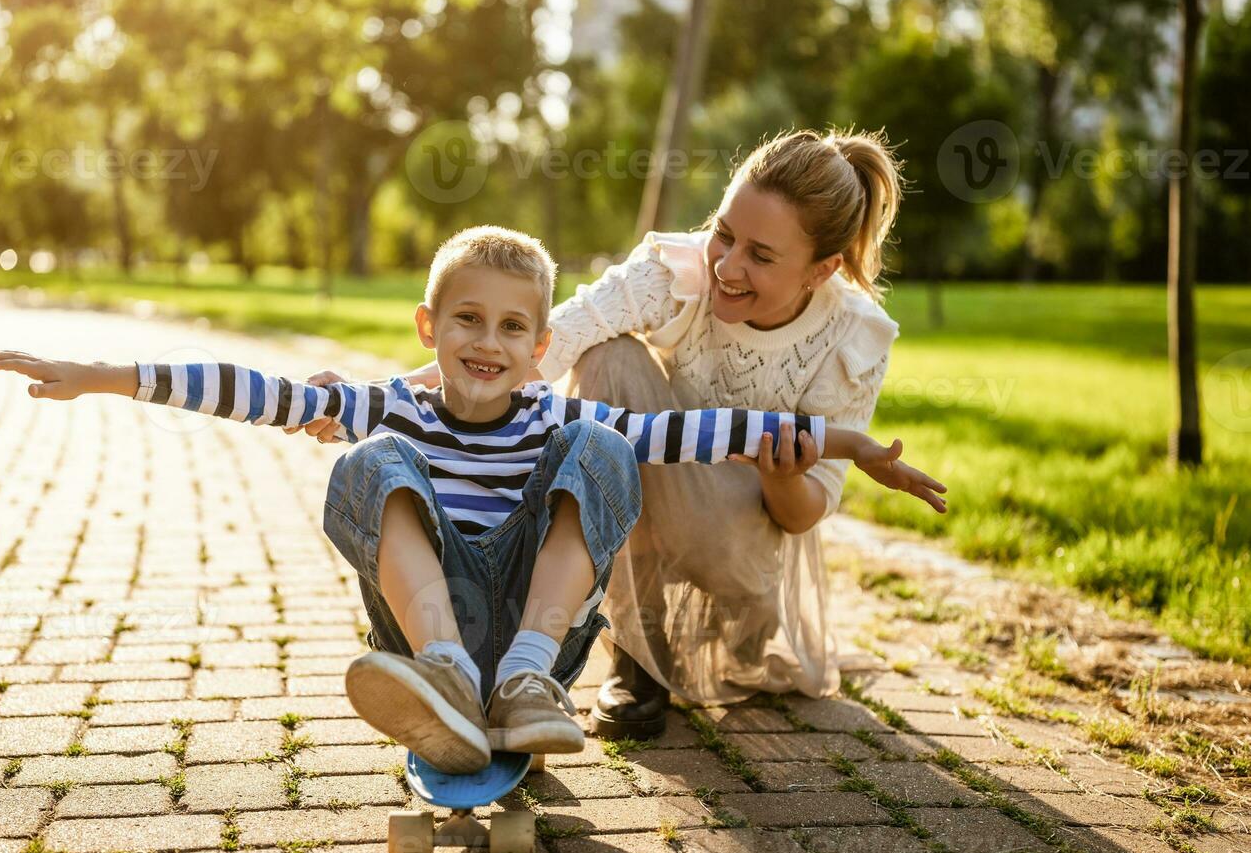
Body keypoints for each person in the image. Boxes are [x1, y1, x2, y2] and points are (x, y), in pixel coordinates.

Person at [0, 225, 943, 773]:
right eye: (467, 320)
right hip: (426, 629)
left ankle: (525, 677)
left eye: (513, 327)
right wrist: (102, 374)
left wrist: (855, 446)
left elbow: (712, 433)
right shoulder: (396, 403)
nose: (487, 342)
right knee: (368, 459)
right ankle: (441, 671)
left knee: (603, 444)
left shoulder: (540, 416)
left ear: (539, 349)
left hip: (539, 626)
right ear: (428, 326)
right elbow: (255, 393)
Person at [292, 129, 933, 739]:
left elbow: (804, 514)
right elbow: (531, 349)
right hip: (652, 455)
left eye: (761, 256)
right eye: (724, 234)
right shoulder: (677, 271)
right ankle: (632, 654)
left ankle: (681, 641)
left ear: (819, 271)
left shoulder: (852, 335)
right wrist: (362, 403)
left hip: (742, 530)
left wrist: (780, 472)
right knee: (607, 358)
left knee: (646, 432)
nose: (728, 266)